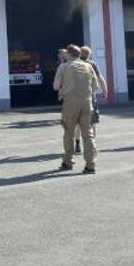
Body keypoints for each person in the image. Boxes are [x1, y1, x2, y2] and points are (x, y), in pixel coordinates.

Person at [53, 45, 99, 174]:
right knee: (88, 133)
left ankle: (68, 161)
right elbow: (95, 86)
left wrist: (65, 88)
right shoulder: (88, 66)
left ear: (68, 54)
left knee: (69, 132)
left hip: (70, 103)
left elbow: (56, 86)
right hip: (87, 102)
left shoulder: (63, 66)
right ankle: (91, 165)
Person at [76, 46, 109, 154]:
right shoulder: (92, 64)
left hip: (76, 96)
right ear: (89, 54)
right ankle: (92, 144)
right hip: (90, 96)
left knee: (78, 122)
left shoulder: (74, 64)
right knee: (92, 121)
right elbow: (100, 78)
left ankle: (77, 143)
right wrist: (105, 90)